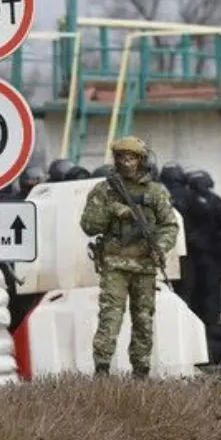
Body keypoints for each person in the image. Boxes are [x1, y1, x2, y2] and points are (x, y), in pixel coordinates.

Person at [79, 136, 180, 378]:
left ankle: (141, 370)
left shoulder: (154, 192)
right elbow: (89, 226)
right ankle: (102, 369)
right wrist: (113, 210)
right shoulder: (104, 190)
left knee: (143, 320)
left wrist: (160, 247)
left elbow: (169, 225)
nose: (127, 163)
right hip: (115, 264)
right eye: (122, 157)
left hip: (145, 265)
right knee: (110, 317)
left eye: (132, 158)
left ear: (141, 160)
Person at [184, 169, 221, 325]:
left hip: (192, 258)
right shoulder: (216, 201)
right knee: (211, 296)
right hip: (213, 259)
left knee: (194, 297)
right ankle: (213, 331)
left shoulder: (186, 201)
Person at [158, 162, 196, 303]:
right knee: (185, 293)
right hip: (187, 254)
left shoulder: (155, 194)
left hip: (162, 254)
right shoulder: (191, 196)